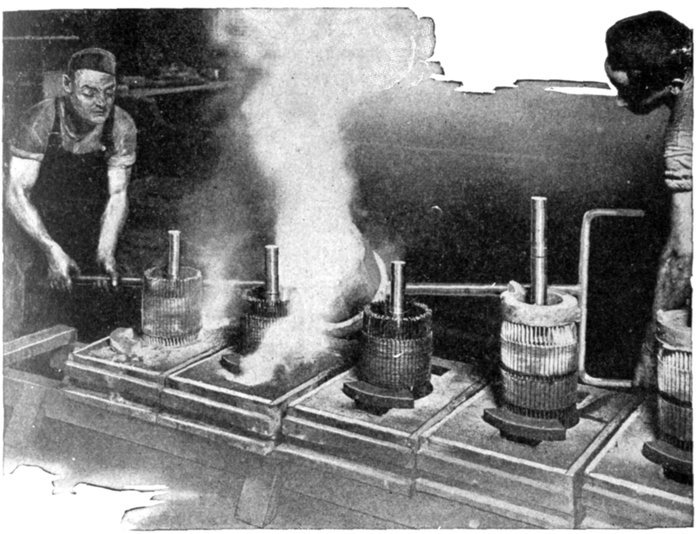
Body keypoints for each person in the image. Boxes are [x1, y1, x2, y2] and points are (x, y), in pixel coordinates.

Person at [5, 47, 137, 337]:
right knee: (33, 319)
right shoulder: (40, 120)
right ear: (67, 85)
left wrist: (105, 251)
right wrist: (51, 250)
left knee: (101, 317)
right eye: (89, 92)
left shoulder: (121, 125)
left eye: (109, 93)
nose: (101, 102)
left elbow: (117, 195)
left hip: (88, 228)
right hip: (35, 230)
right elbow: (16, 193)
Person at [604, 11, 692, 387]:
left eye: (627, 92)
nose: (620, 103)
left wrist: (651, 352)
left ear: (673, 85)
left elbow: (684, 252)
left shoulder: (685, 137)